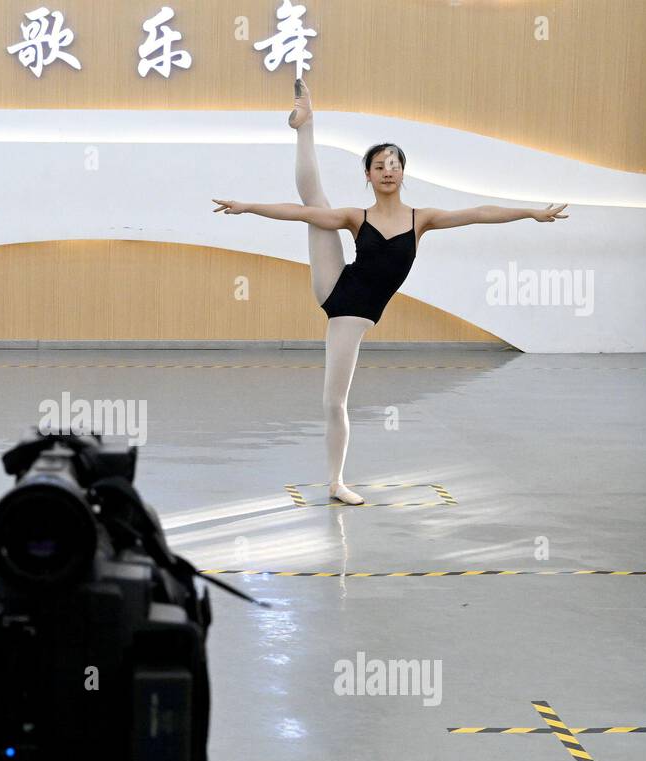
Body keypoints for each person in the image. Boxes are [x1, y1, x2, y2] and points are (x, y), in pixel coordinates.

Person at [213, 78, 568, 504]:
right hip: (339, 298)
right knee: (315, 208)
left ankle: (306, 123)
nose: (387, 170)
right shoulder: (357, 217)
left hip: (361, 310)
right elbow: (299, 212)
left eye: (394, 164)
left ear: (402, 172)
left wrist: (530, 212)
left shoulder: (422, 219)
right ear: (368, 174)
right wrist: (248, 206)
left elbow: (477, 212)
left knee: (334, 401)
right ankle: (336, 482)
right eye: (379, 165)